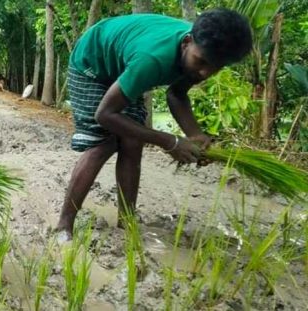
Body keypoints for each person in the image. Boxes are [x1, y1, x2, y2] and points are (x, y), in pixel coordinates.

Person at [56, 9, 252, 240]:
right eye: (201, 62)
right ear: (186, 42)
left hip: (124, 67)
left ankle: (126, 221)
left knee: (133, 140)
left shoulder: (199, 51)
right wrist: (170, 142)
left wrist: (195, 135)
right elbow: (105, 114)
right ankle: (64, 225)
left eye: (215, 67)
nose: (204, 72)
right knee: (104, 143)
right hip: (92, 64)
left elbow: (177, 95)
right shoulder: (153, 59)